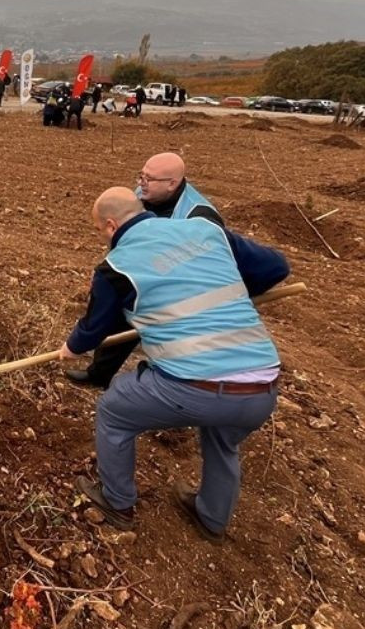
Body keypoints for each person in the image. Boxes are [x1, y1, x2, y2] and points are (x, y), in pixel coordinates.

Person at [62, 187, 284, 541]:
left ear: (110, 225)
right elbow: (276, 266)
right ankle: (212, 518)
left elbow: (94, 327)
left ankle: (117, 502)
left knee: (113, 411)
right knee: (222, 439)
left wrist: (70, 349)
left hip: (196, 388)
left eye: (99, 231)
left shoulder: (116, 265)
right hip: (263, 386)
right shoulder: (205, 230)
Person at [65, 153, 287, 387]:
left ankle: (178, 380)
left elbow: (229, 264)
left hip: (183, 284)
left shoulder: (200, 216)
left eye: (149, 179)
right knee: (122, 310)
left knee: (166, 334)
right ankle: (100, 374)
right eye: (141, 176)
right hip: (151, 273)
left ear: (172, 183)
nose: (141, 184)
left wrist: (232, 293)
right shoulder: (142, 196)